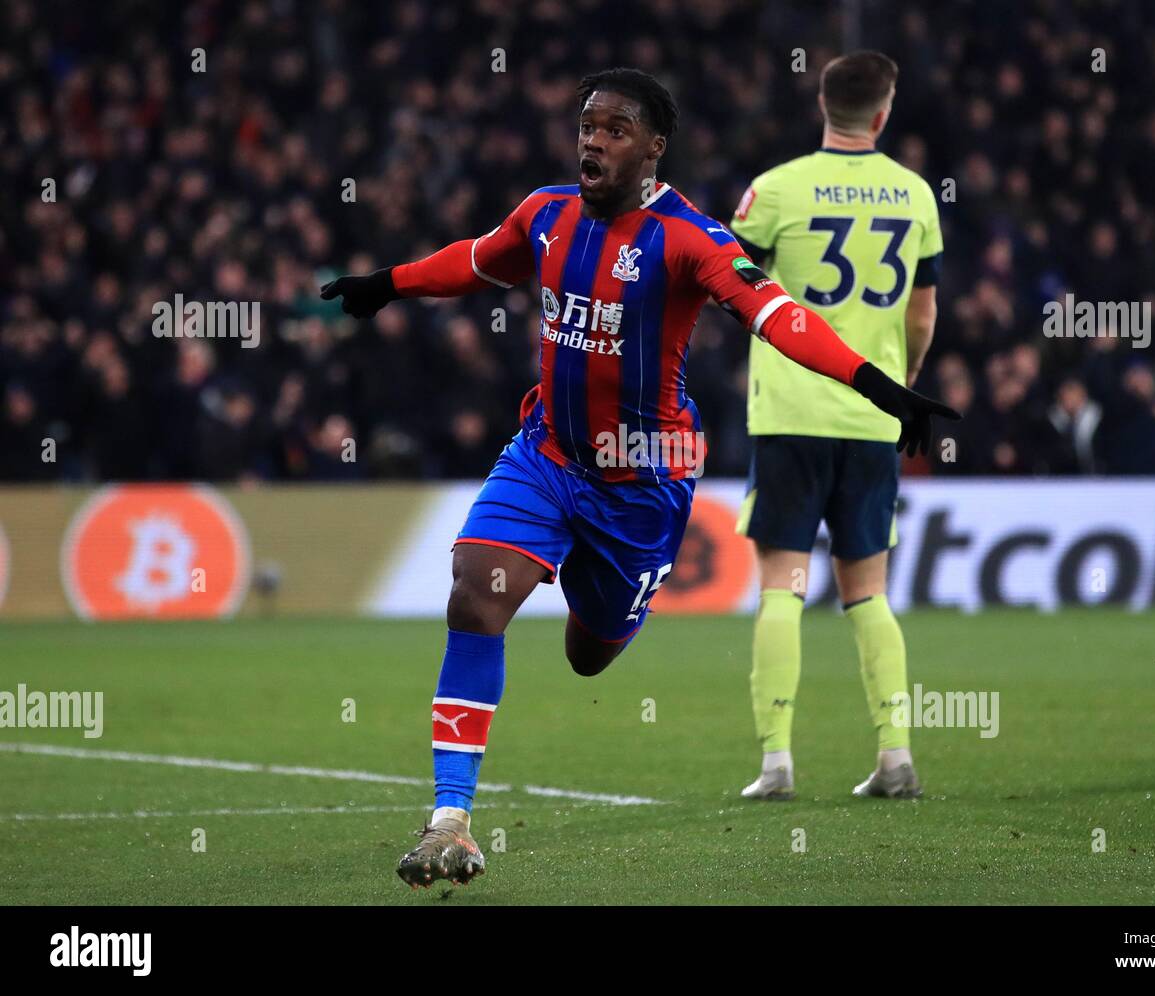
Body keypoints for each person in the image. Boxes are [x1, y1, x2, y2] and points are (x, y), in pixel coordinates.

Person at [321, 67, 957, 887]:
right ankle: (451, 818)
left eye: (616, 129)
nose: (594, 140)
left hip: (642, 483)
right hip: (547, 455)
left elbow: (778, 315)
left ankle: (616, 608)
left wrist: (876, 382)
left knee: (591, 653)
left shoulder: (690, 238)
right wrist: (389, 283)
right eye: (587, 125)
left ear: (654, 147)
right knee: (475, 588)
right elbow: (479, 262)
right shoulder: (545, 214)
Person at [729, 51, 944, 802]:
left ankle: (777, 764)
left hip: (789, 413)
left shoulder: (775, 190)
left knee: (782, 588)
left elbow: (730, 287)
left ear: (824, 105)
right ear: (883, 114)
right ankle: (895, 757)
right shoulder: (915, 195)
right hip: (872, 416)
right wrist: (906, 382)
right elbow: (922, 312)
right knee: (870, 593)